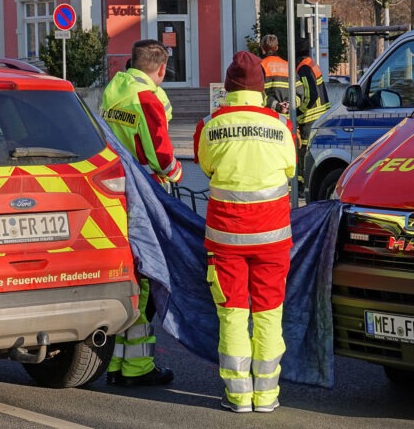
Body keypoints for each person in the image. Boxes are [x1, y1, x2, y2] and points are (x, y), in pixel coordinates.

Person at [193, 51, 296, 413]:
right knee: (269, 313)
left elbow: (206, 167)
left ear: (228, 88)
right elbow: (290, 168)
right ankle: (267, 396)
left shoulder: (210, 124)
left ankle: (238, 396)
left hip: (226, 238)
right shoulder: (280, 124)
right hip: (272, 236)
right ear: (261, 88)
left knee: (233, 313)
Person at [100, 39, 180, 387]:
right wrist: (176, 173)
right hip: (145, 193)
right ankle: (137, 368)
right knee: (147, 277)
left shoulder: (113, 90)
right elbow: (160, 155)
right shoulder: (147, 98)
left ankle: (118, 364)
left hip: (116, 190)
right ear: (161, 69)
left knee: (129, 271)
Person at [295, 38, 331, 186]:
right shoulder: (311, 63)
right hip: (321, 113)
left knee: (304, 149)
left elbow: (311, 94)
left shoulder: (303, 67)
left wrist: (299, 111)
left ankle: (303, 185)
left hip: (310, 116)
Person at [259, 34, 300, 115]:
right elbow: (299, 93)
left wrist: (276, 106)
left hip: (269, 118)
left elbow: (258, 94)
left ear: (262, 48)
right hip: (287, 120)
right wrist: (288, 104)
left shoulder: (260, 65)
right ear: (277, 48)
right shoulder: (288, 66)